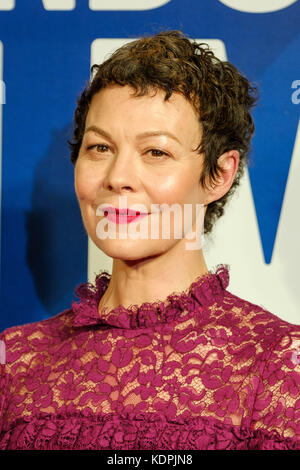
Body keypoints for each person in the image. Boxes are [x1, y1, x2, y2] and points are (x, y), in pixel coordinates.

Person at [1, 29, 300, 451]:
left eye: (155, 152)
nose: (118, 177)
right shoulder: (13, 362)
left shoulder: (279, 366)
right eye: (100, 148)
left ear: (219, 174)